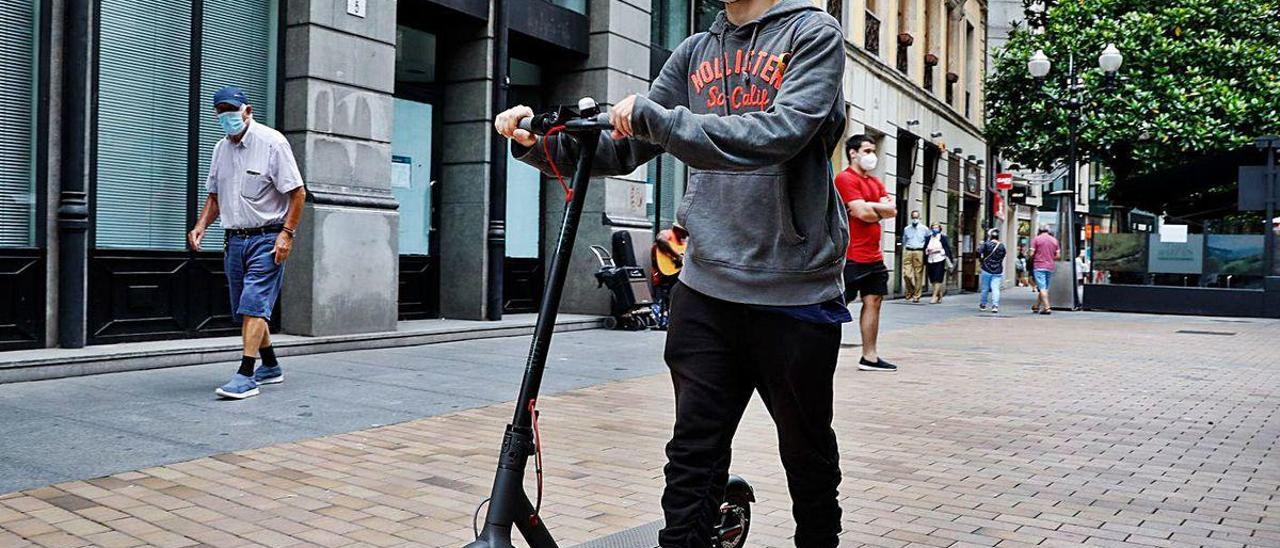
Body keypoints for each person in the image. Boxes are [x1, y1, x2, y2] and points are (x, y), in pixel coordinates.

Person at [494, 1, 849, 545]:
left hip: (793, 291)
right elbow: (626, 143)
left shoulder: (812, 33)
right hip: (706, 289)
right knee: (692, 456)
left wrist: (661, 121)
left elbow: (783, 131)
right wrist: (542, 144)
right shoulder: (693, 52)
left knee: (806, 455)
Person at [188, 86, 305, 400]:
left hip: (267, 238)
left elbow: (298, 193)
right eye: (223, 113)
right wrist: (201, 225)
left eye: (234, 111)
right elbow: (215, 196)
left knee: (254, 303)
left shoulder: (272, 142)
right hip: (235, 241)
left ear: (248, 111)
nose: (229, 118)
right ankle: (270, 366)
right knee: (247, 309)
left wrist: (287, 234)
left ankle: (245, 374)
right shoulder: (219, 150)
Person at [835, 134, 898, 372]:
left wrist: (871, 207)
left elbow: (892, 210)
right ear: (853, 153)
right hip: (851, 256)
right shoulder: (844, 179)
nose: (872, 155)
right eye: (868, 150)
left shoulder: (874, 182)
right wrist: (873, 208)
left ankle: (869, 357)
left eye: (873, 150)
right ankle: (815, 353)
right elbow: (861, 213)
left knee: (874, 301)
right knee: (839, 304)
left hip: (874, 257)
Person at [650, 226, 688, 330]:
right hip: (665, 274)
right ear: (678, 230)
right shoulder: (668, 233)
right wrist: (676, 256)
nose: (686, 236)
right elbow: (660, 240)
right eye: (685, 232)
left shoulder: (683, 243)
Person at [1030, 225, 1060, 314]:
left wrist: (1031, 254)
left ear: (1039, 230)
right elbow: (1058, 256)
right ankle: (1036, 306)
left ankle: (1047, 307)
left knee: (1042, 288)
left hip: (1039, 266)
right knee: (1044, 287)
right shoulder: (1054, 240)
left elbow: (1031, 254)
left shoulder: (1036, 239)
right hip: (1050, 266)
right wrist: (1050, 257)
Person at [900, 210, 929, 302]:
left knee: (918, 274)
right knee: (906, 274)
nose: (915, 219)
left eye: (916, 217)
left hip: (919, 251)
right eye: (913, 217)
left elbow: (928, 240)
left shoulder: (924, 229)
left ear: (919, 218)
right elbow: (904, 240)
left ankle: (917, 295)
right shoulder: (907, 229)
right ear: (911, 218)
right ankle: (911, 290)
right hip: (908, 250)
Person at [977, 229, 1007, 313]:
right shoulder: (1001, 246)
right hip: (998, 270)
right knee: (995, 288)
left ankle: (983, 304)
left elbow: (978, 252)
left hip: (986, 269)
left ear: (990, 236)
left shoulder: (986, 244)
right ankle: (995, 305)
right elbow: (1003, 255)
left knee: (985, 288)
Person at [924, 222, 953, 304]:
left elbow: (946, 249)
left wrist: (939, 250)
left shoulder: (943, 238)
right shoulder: (928, 238)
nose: (935, 229)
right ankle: (939, 294)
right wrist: (927, 251)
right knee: (932, 279)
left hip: (940, 259)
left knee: (938, 278)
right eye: (933, 227)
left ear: (940, 229)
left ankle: (934, 296)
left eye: (936, 227)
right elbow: (925, 248)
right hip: (930, 259)